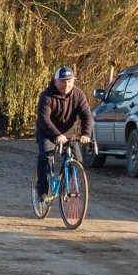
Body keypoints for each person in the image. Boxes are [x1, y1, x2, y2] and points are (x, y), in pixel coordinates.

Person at [35, 66, 93, 202]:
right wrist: (56, 135)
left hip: (68, 135)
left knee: (78, 160)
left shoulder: (78, 95)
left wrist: (86, 133)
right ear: (55, 82)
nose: (66, 84)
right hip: (47, 133)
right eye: (63, 81)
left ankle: (65, 183)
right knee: (46, 156)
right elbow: (44, 119)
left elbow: (87, 116)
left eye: (70, 81)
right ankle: (42, 191)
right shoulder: (47, 96)